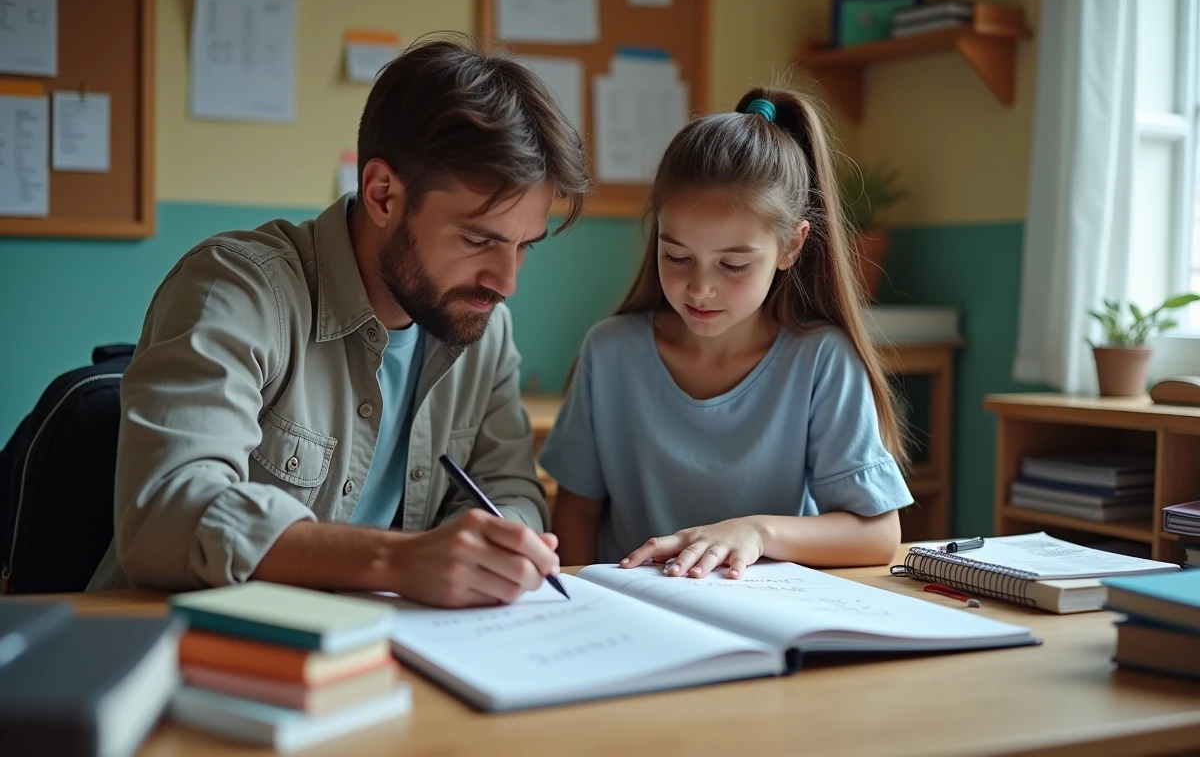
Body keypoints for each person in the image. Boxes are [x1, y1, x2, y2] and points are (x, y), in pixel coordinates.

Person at [86, 35, 590, 608]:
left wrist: (504, 545)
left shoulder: (482, 327)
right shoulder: (237, 289)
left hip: (374, 652)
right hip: (174, 648)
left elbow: (508, 487)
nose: (506, 282)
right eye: (478, 240)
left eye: (526, 246)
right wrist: (399, 560)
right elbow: (168, 514)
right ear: (382, 194)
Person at [540, 88, 913, 579]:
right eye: (676, 256)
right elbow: (576, 514)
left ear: (791, 246)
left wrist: (758, 532)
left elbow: (880, 535)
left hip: (761, 621)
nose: (700, 288)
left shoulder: (822, 360)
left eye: (733, 265)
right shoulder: (610, 351)